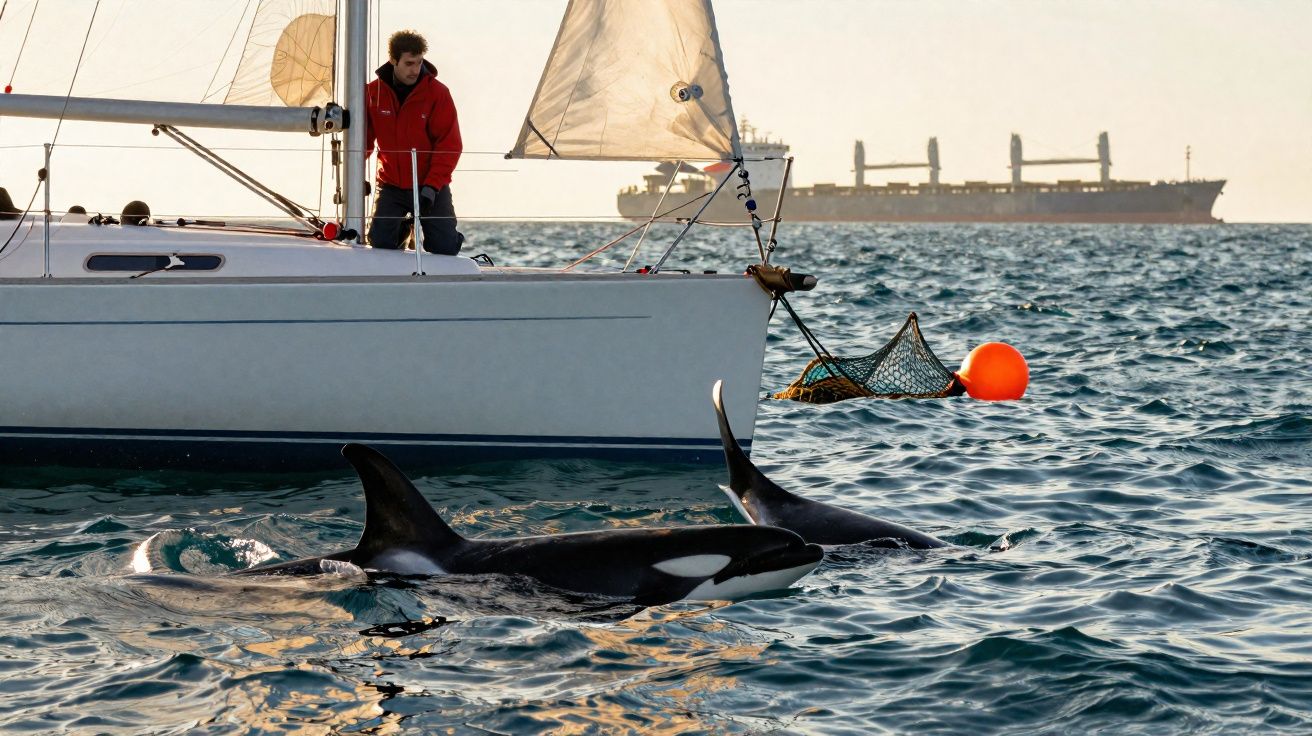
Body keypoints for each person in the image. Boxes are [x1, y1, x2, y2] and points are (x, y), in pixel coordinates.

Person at [365, 30, 464, 255]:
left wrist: (432, 186)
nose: (415, 70)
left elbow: (450, 145)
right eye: (409, 63)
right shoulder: (373, 93)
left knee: (444, 247)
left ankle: (444, 232)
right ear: (393, 61)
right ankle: (403, 229)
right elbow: (364, 140)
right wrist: (353, 175)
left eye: (419, 63)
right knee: (380, 244)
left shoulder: (437, 93)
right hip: (391, 185)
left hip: (430, 186)